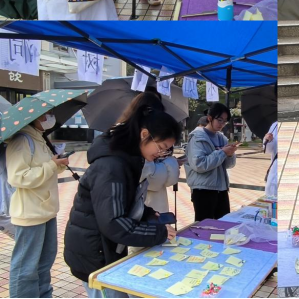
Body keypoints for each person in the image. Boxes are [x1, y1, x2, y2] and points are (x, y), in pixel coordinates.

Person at [64, 93, 181, 298]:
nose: (161, 154)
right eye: (161, 148)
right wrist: (158, 233)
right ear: (144, 134)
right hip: (94, 256)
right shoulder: (111, 166)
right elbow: (114, 223)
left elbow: (124, 202)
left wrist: (148, 214)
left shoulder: (127, 158)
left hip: (106, 249)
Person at [6, 113, 69, 298]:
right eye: (46, 115)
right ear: (33, 117)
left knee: (44, 263)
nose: (50, 117)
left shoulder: (39, 138)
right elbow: (18, 177)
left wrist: (58, 164)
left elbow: (44, 168)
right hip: (30, 213)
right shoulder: (22, 140)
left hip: (46, 210)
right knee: (26, 268)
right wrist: (51, 165)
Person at [184, 102, 238, 221]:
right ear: (209, 118)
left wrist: (230, 154)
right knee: (205, 226)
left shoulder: (222, 138)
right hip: (203, 189)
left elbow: (228, 165)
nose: (222, 124)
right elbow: (199, 164)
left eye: (225, 121)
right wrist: (222, 152)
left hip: (221, 188)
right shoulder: (197, 137)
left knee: (223, 224)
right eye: (220, 120)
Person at [263, 122, 278, 198]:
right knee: (273, 198)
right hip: (276, 168)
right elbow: (268, 150)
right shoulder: (275, 125)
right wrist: (269, 140)